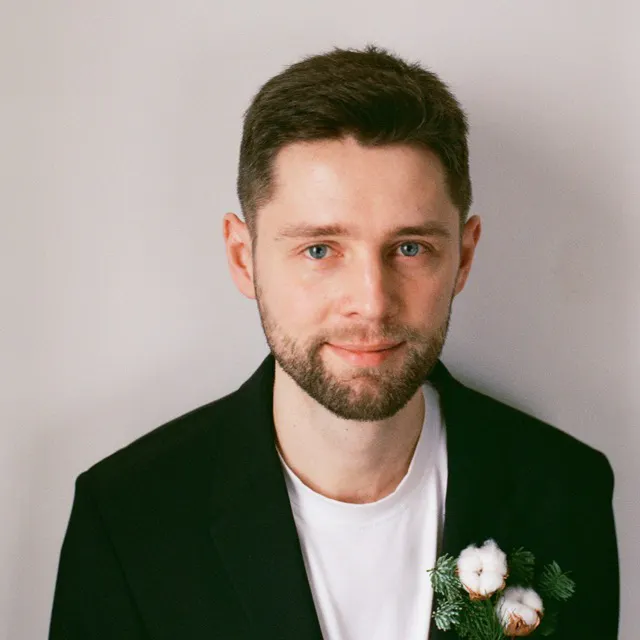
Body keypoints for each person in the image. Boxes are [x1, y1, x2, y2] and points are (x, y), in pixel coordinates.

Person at [49, 46, 619, 640]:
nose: (371, 303)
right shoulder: (126, 518)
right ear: (244, 258)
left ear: (464, 257)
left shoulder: (567, 491)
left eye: (410, 248)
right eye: (319, 250)